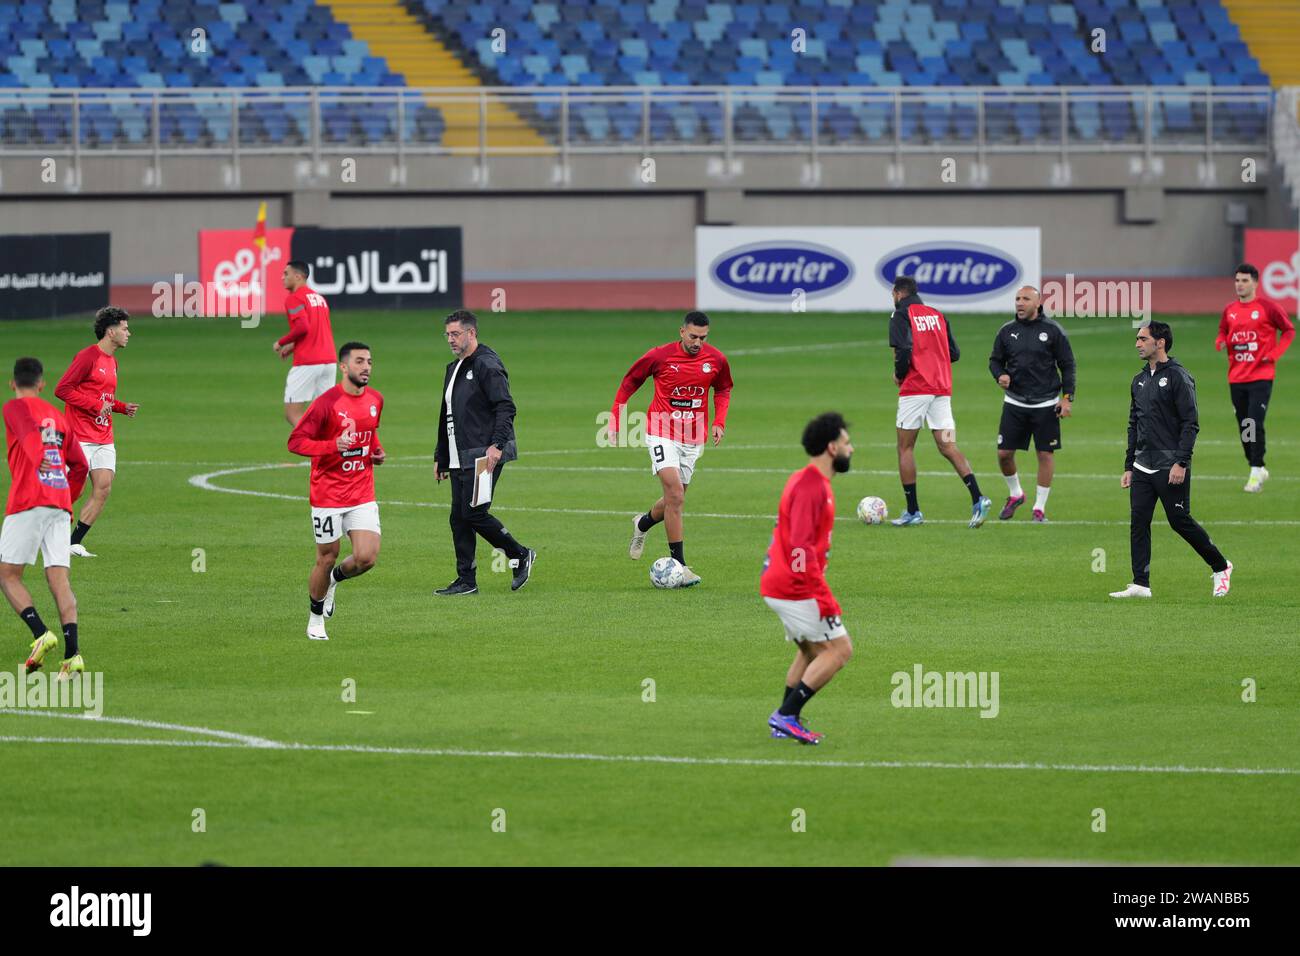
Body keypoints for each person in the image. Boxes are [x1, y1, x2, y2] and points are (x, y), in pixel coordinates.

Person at [1111, 321, 1232, 600]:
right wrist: (1129, 466)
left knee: (1179, 520)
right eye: (1137, 339)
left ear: (1160, 342)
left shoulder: (1179, 377)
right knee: (1138, 521)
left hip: (1170, 465)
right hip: (1142, 464)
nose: (1137, 344)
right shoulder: (1139, 380)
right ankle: (1141, 583)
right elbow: (1134, 424)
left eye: (1143, 339)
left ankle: (1221, 566)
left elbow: (1191, 423)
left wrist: (1181, 462)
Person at [611, 311, 733, 586]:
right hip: (661, 431)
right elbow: (630, 382)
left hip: (693, 437)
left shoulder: (716, 359)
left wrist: (719, 421)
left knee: (672, 500)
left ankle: (642, 523)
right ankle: (680, 566)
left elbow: (723, 389)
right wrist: (616, 417)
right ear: (681, 332)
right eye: (693, 336)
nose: (698, 342)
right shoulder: (659, 356)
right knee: (676, 495)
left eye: (703, 337)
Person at [760, 412, 855, 745]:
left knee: (811, 651)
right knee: (840, 650)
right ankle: (786, 715)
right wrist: (822, 598)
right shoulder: (811, 486)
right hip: (794, 588)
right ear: (832, 448)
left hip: (782, 583)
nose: (851, 449)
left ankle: (786, 721)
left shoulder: (809, 481)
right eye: (847, 443)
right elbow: (800, 548)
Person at [287, 342, 385, 640]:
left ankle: (332, 581)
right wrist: (331, 446)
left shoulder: (376, 399)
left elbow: (370, 432)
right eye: (359, 361)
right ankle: (315, 617)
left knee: (366, 557)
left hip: (361, 492)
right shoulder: (326, 404)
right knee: (327, 556)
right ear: (344, 367)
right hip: (327, 494)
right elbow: (296, 441)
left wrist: (376, 451)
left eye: (369, 361)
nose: (366, 366)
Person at [434, 310, 535, 596]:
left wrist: (497, 445)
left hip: (483, 453)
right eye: (448, 334)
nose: (451, 340)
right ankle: (466, 580)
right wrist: (441, 456)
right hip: (458, 455)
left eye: (456, 334)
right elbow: (447, 415)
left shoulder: (487, 364)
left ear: (472, 333)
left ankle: (520, 555)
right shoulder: (453, 368)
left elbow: (506, 406)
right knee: (458, 516)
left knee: (474, 512)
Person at [1, 357, 89, 679]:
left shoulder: (13, 408)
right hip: (59, 504)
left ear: (13, 384)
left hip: (28, 500)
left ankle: (40, 633)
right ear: (42, 384)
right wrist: (68, 498)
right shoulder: (57, 415)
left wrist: (39, 461)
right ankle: (73, 656)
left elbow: (27, 435)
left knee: (8, 575)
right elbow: (80, 465)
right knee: (59, 579)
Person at [887, 276, 991, 528]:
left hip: (915, 389)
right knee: (947, 446)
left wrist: (900, 374)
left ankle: (913, 511)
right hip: (941, 389)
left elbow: (903, 349)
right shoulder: (937, 315)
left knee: (905, 448)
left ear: (897, 293)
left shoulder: (900, 315)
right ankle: (978, 498)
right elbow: (954, 353)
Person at [54, 306, 139, 558]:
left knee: (103, 487)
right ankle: (43, 531)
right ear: (110, 331)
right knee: (73, 491)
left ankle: (73, 542)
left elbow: (104, 397)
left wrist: (122, 407)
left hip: (103, 434)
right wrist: (95, 406)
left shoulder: (112, 362)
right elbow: (63, 389)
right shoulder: (87, 357)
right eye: (124, 329)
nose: (128, 333)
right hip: (80, 435)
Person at [988, 286, 1076, 522]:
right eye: (1017, 299)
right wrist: (1000, 375)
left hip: (1046, 404)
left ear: (1038, 303)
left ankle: (1039, 508)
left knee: (1045, 454)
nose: (1020, 303)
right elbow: (995, 361)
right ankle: (1016, 494)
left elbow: (1067, 365)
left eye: (1025, 299)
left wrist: (1067, 398)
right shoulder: (1007, 331)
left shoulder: (1053, 331)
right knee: (1004, 453)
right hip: (1014, 402)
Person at [1215, 262, 1294, 492]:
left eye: (1244, 281)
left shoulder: (1268, 308)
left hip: (1261, 376)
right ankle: (1256, 465)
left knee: (1253, 421)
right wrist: (1220, 340)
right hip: (1237, 377)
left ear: (1255, 283)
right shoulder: (1229, 310)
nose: (1239, 285)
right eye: (1237, 280)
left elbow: (1288, 330)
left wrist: (1275, 353)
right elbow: (1222, 330)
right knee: (1244, 425)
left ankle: (1256, 470)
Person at [275, 260, 337, 427]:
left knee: (292, 413)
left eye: (286, 274)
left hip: (308, 363)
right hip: (329, 362)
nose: (282, 278)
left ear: (298, 276)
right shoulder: (320, 299)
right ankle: (330, 449)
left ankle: (314, 448)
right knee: (324, 415)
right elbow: (316, 331)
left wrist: (281, 342)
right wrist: (293, 346)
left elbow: (303, 326)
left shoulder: (294, 298)